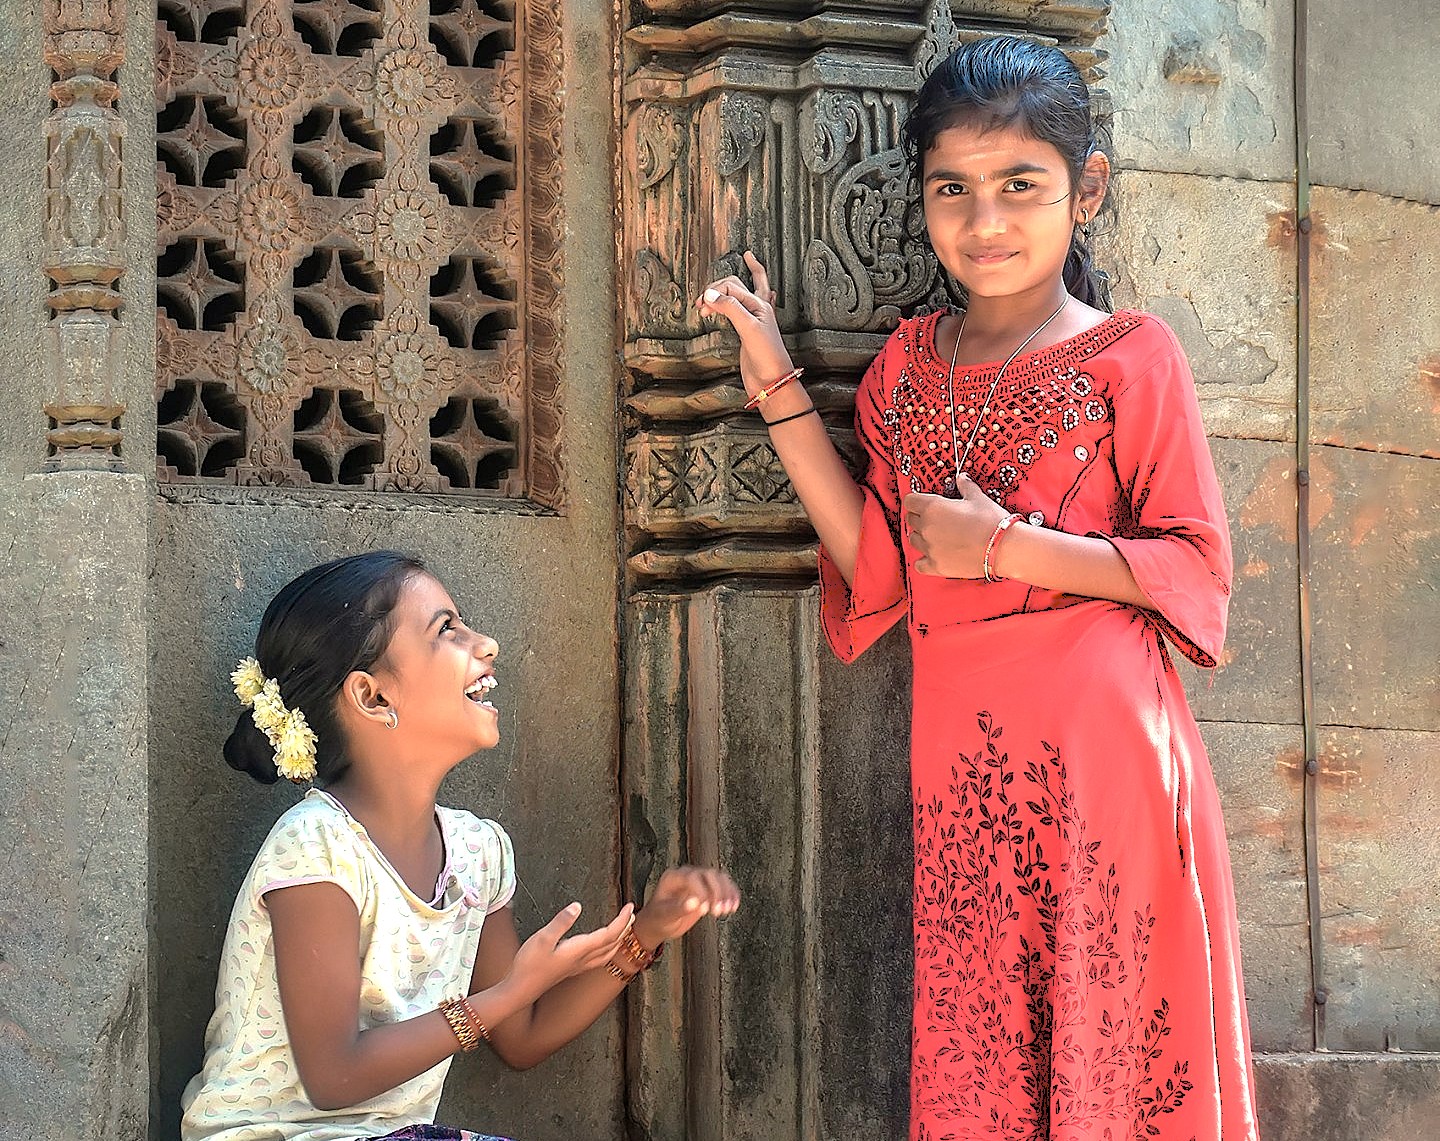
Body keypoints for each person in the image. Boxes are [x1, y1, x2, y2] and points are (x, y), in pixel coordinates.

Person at [697, 35, 1258, 1141]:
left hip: (1106, 752)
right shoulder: (908, 367)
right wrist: (775, 384)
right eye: (953, 188)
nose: (985, 220)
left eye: (1020, 187)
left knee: (1117, 1041)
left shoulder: (1130, 357)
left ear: (1084, 191)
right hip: (963, 754)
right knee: (980, 1046)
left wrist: (1008, 548)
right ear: (923, 196)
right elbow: (878, 565)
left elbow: (1198, 571)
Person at [180, 551, 740, 1141]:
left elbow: (519, 1037)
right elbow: (333, 1077)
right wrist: (510, 992)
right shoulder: (316, 848)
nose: (487, 644)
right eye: (446, 630)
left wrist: (646, 933)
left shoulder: (479, 853)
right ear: (372, 697)